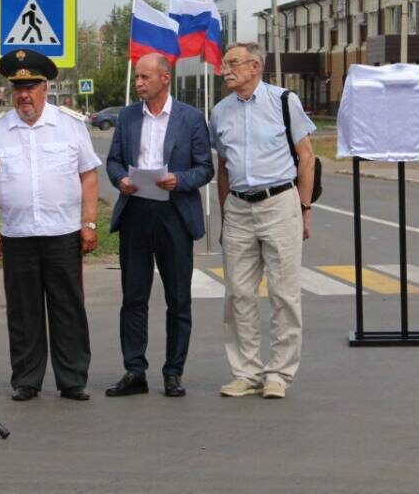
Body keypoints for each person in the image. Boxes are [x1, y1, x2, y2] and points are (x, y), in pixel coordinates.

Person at [0, 49, 102, 402]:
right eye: (17, 88)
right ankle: (27, 378)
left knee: (68, 307)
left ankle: (73, 378)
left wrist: (89, 223)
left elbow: (89, 177)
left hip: (62, 232)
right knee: (23, 310)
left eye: (31, 86)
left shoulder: (70, 126)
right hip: (17, 234)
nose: (24, 95)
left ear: (45, 88)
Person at [209, 41, 316, 400]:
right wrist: (225, 213)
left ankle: (279, 374)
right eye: (225, 63)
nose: (227, 69)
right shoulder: (220, 112)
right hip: (239, 207)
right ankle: (246, 371)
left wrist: (304, 208)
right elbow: (223, 167)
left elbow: (307, 157)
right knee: (238, 293)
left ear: (255, 67)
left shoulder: (284, 101)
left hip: (279, 202)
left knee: (284, 294)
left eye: (234, 63)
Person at [103, 53, 213, 399]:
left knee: (178, 298)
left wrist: (178, 180)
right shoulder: (128, 117)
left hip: (174, 214)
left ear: (165, 78)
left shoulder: (191, 119)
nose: (138, 83)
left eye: (144, 77)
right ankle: (135, 370)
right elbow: (114, 161)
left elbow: (205, 168)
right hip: (136, 211)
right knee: (133, 296)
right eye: (137, 77)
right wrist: (120, 180)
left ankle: (173, 372)